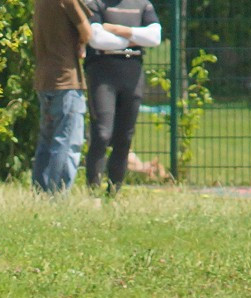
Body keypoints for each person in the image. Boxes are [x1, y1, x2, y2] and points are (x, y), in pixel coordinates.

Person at [83, 0, 161, 193]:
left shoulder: (142, 4)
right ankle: (93, 190)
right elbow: (97, 39)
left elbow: (155, 37)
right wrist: (135, 37)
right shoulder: (95, 4)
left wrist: (117, 30)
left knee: (124, 137)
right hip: (102, 71)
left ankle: (114, 190)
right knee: (101, 133)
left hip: (132, 71)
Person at [32, 0, 92, 194]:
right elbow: (87, 32)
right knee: (67, 140)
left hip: (45, 79)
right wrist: (81, 42)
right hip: (66, 80)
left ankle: (40, 192)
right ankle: (56, 195)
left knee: (47, 140)